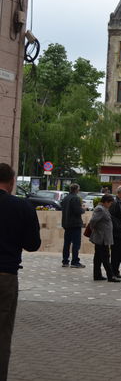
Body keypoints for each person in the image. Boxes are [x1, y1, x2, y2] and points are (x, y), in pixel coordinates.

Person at [0, 163, 41, 381]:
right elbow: (33, 244)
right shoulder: (22, 207)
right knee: (2, 334)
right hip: (5, 277)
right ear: (12, 181)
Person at [89, 194, 120, 282]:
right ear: (106, 202)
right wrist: (95, 230)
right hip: (101, 237)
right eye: (110, 203)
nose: (110, 205)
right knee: (106, 257)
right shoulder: (100, 209)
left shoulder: (103, 209)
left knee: (98, 258)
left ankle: (97, 275)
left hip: (103, 237)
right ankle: (110, 276)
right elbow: (93, 221)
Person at [60, 183, 85, 268]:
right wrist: (83, 209)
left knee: (66, 243)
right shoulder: (75, 198)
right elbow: (77, 211)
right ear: (76, 189)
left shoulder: (65, 198)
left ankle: (65, 261)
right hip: (75, 224)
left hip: (67, 224)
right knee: (76, 244)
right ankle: (75, 261)